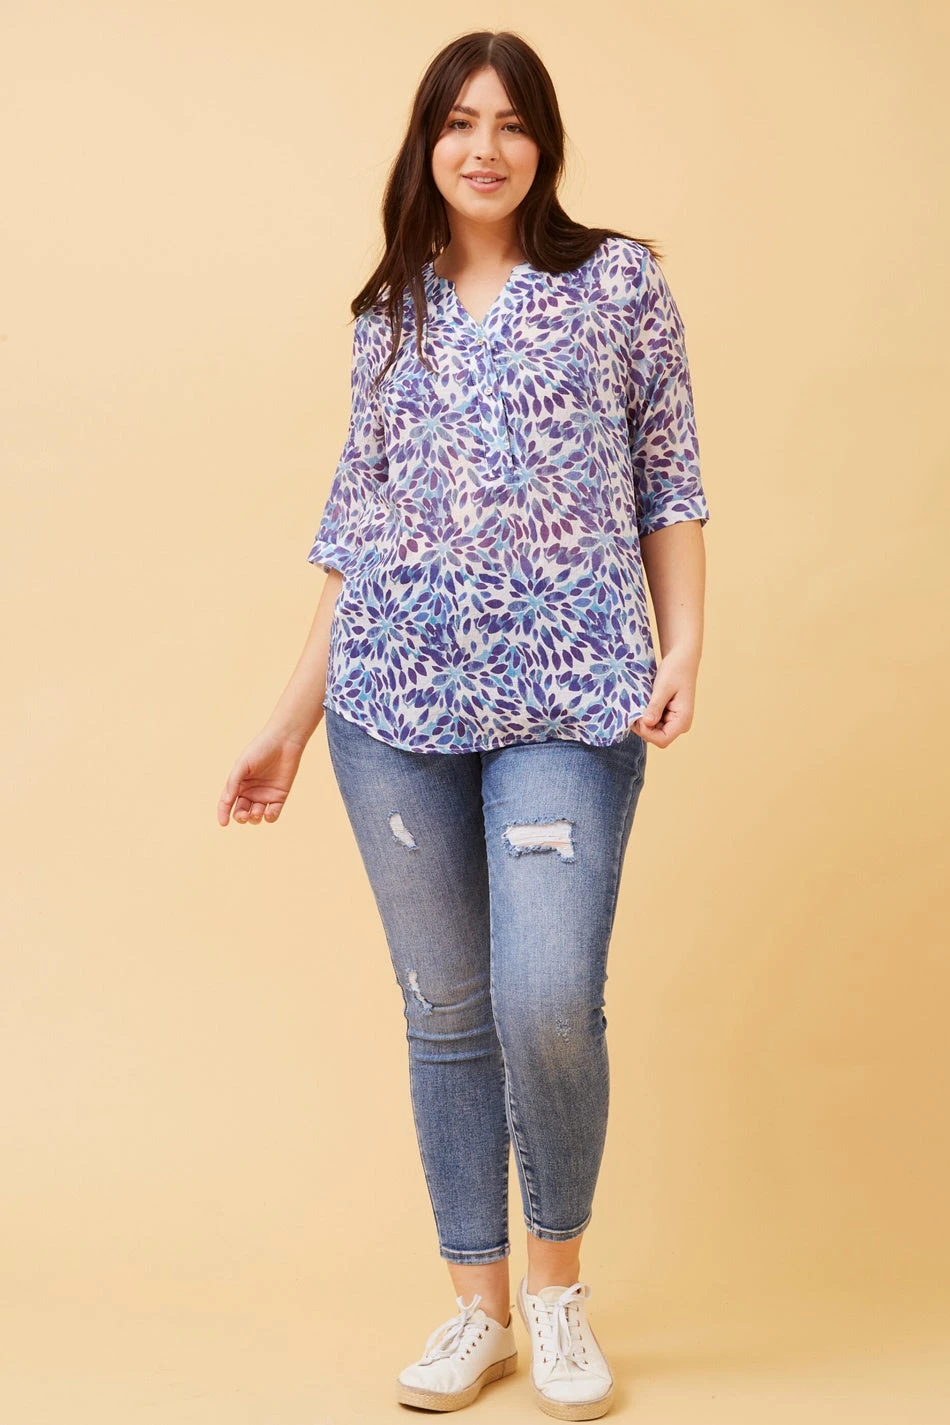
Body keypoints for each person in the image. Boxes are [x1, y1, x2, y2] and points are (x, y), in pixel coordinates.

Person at [218, 28, 709, 1421]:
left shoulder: (615, 283)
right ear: (426, 141)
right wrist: (288, 722)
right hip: (392, 704)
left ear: (543, 144)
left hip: (571, 696)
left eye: (511, 123)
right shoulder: (391, 309)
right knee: (444, 1011)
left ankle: (556, 1294)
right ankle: (476, 1310)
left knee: (545, 998)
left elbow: (670, 476)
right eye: (458, 123)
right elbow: (355, 529)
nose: (484, 148)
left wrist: (684, 644)